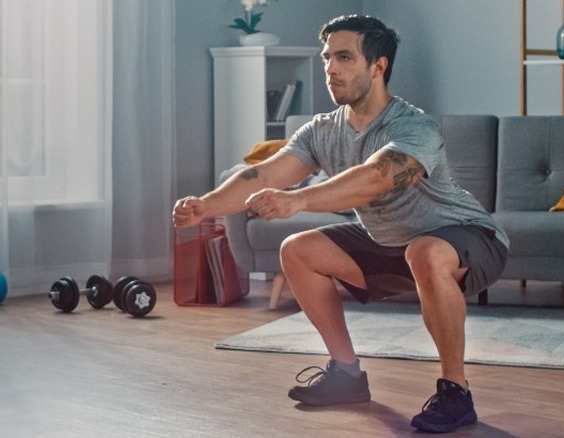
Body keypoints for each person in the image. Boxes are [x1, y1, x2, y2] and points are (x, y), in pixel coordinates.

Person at [172, 14, 508, 434]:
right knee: (298, 249)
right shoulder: (323, 130)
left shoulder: (414, 127)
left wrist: (298, 199)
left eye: (345, 57)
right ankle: (346, 375)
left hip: (469, 238)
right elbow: (265, 173)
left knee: (423, 250)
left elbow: (378, 177)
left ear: (378, 66)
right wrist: (206, 206)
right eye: (327, 57)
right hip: (391, 243)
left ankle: (456, 393)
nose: (330, 68)